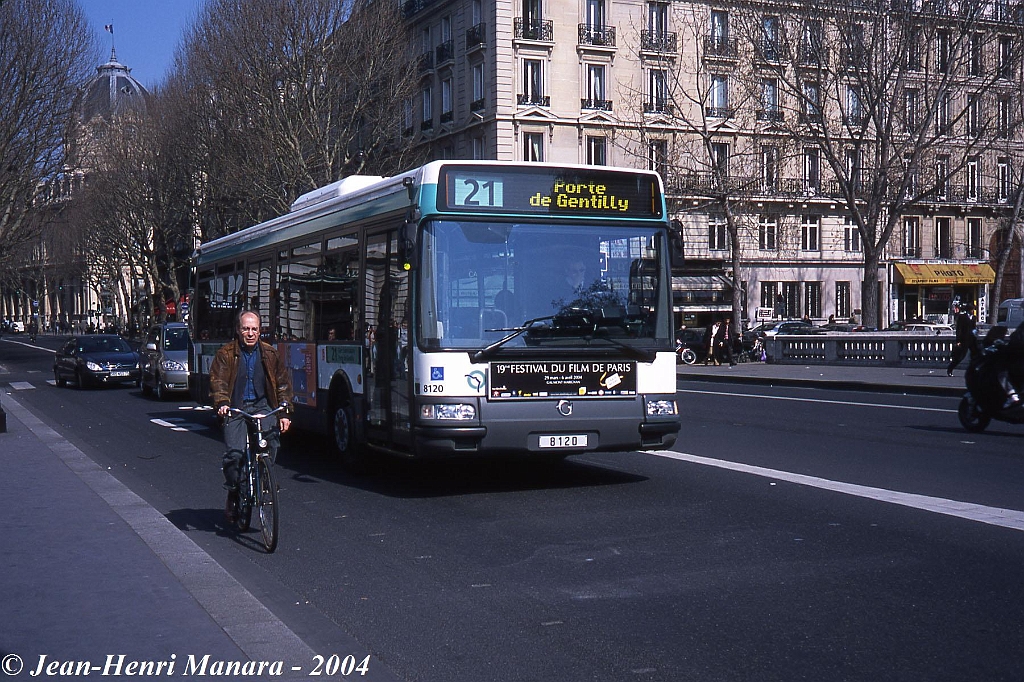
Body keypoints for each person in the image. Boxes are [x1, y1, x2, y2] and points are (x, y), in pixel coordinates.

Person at [209, 310, 293, 523]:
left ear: (259, 330)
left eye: (254, 329)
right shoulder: (225, 354)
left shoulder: (270, 354)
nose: (250, 333)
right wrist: (222, 403)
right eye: (246, 328)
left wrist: (283, 413)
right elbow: (218, 382)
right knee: (234, 455)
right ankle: (234, 491)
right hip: (235, 407)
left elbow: (282, 384)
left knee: (272, 443)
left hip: (262, 406)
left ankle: (264, 477)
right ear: (238, 330)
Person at [947, 303, 977, 376]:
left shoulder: (974, 318)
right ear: (969, 310)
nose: (973, 311)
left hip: (972, 339)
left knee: (976, 355)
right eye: (972, 309)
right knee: (960, 356)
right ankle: (950, 369)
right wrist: (958, 340)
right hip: (964, 339)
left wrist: (975, 334)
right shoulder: (962, 317)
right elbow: (959, 329)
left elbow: (974, 328)